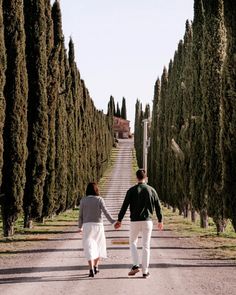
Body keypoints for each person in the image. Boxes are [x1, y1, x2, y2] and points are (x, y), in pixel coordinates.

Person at [114, 169, 163, 278]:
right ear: (146, 178)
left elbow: (124, 206)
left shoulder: (131, 190)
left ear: (136, 177)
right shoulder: (152, 190)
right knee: (146, 246)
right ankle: (145, 272)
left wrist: (119, 220)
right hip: (148, 221)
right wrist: (160, 220)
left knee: (132, 243)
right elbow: (158, 206)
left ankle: (136, 265)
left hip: (134, 221)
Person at [78, 182, 115, 277]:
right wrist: (113, 222)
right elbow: (106, 212)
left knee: (89, 247)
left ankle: (91, 268)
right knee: (99, 246)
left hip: (87, 226)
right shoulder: (99, 199)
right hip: (98, 226)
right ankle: (96, 267)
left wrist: (80, 227)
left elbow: (80, 216)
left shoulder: (83, 200)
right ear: (96, 190)